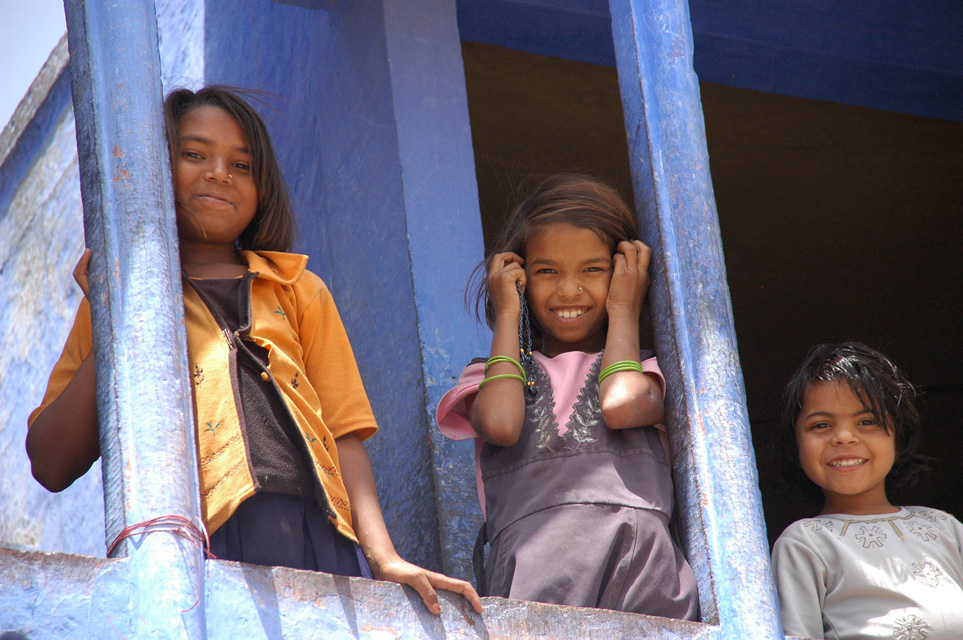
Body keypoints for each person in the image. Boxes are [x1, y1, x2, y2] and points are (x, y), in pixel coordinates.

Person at [26, 85, 481, 616]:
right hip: (197, 542)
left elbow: (343, 435)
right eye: (194, 154)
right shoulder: (120, 298)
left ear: (262, 187)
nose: (219, 173)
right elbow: (50, 464)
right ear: (153, 167)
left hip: (319, 537)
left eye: (241, 165)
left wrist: (383, 556)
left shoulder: (300, 289)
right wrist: (114, 315)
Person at [435, 174, 700, 617]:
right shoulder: (490, 378)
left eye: (593, 270)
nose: (569, 290)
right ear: (520, 279)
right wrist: (508, 314)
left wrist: (623, 311)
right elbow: (501, 424)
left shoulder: (648, 373)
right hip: (534, 577)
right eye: (545, 272)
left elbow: (618, 403)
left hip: (642, 574)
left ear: (621, 277)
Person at [771, 342, 963, 639]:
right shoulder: (804, 544)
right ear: (796, 446)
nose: (844, 437)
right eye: (821, 425)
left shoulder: (946, 529)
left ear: (897, 436)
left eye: (867, 421)